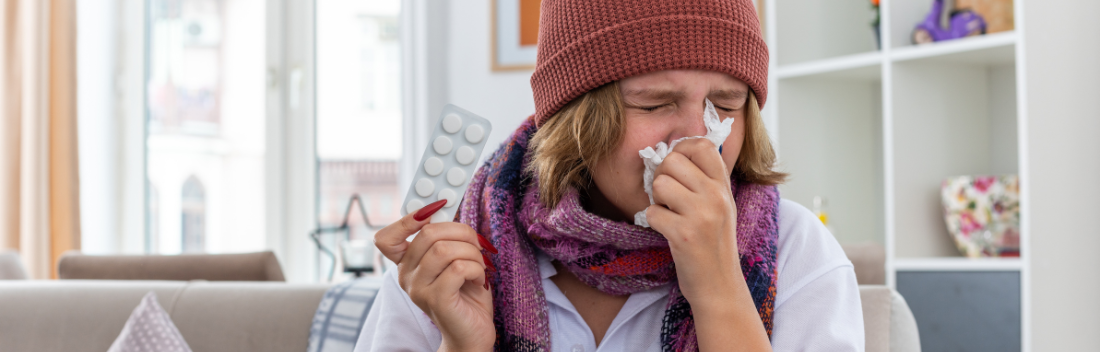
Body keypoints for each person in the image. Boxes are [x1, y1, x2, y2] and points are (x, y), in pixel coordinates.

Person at [355, 0, 864, 351]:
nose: (697, 140)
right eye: (655, 104)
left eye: (726, 105)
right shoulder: (451, 257)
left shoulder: (795, 253)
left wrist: (720, 287)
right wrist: (462, 345)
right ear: (577, 121)